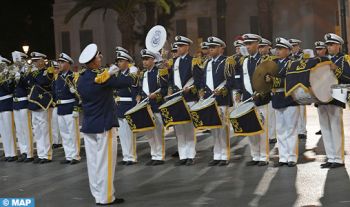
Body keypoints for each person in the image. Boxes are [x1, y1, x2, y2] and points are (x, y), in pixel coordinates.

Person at [77, 43, 135, 205]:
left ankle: (98, 194)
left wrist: (109, 73)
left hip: (89, 125)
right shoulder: (103, 78)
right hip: (104, 125)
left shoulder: (82, 78)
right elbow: (125, 83)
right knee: (106, 163)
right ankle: (106, 197)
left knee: (94, 163)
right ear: (93, 61)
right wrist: (127, 71)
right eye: (98, 56)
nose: (101, 57)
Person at [236, 34, 271, 166]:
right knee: (251, 130)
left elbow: (268, 80)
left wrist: (260, 92)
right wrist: (239, 91)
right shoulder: (244, 61)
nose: (248, 47)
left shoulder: (263, 60)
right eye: (246, 44)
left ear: (257, 44)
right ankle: (255, 156)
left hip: (261, 100)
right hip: (247, 99)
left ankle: (264, 156)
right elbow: (239, 78)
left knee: (262, 129)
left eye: (250, 44)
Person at [198, 36, 231, 166]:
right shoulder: (207, 63)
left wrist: (223, 90)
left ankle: (225, 156)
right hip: (209, 99)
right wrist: (202, 90)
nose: (210, 50)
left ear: (220, 48)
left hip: (222, 99)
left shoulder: (227, 61)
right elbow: (203, 80)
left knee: (222, 129)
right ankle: (217, 155)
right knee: (214, 129)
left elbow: (231, 80)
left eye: (213, 48)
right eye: (209, 48)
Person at [266, 38, 299, 167]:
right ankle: (283, 157)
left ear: (288, 50)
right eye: (277, 49)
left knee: (290, 128)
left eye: (280, 49)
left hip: (289, 97)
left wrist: (274, 81)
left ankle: (292, 157)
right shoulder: (273, 63)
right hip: (277, 97)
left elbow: (292, 80)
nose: (277, 51)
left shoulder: (293, 63)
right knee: (280, 129)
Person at [318, 33, 350, 168]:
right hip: (321, 97)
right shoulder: (321, 60)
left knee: (335, 127)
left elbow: (348, 78)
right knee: (325, 128)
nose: (329, 47)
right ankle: (330, 157)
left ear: (338, 46)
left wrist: (335, 70)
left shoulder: (343, 60)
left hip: (336, 96)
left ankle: (338, 158)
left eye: (331, 45)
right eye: (328, 45)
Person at [168, 35, 199, 166]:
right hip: (177, 98)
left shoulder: (193, 61)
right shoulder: (174, 62)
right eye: (177, 46)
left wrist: (191, 88)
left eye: (181, 46)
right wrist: (170, 89)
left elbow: (198, 80)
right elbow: (171, 79)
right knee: (179, 128)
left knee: (189, 128)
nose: (178, 48)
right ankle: (183, 155)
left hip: (189, 98)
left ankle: (190, 155)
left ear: (187, 47)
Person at [137, 49, 168, 165]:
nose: (144, 62)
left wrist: (157, 95)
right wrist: (138, 96)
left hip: (156, 106)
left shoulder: (159, 72)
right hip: (146, 107)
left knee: (158, 133)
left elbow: (164, 89)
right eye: (143, 60)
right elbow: (140, 89)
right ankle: (154, 155)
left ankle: (160, 156)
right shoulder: (142, 74)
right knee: (149, 133)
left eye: (147, 59)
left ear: (153, 60)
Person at [54, 53, 81, 164]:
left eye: (62, 62)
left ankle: (75, 156)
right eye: (59, 62)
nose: (59, 64)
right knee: (64, 133)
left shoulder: (74, 76)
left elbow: (79, 96)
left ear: (68, 64)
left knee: (73, 133)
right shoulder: (58, 77)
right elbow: (55, 92)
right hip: (61, 108)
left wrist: (76, 108)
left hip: (70, 107)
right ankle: (68, 155)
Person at [27, 52, 54, 164]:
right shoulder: (34, 73)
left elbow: (44, 82)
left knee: (44, 129)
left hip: (43, 102)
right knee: (37, 130)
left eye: (37, 61)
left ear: (42, 60)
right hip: (34, 103)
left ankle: (47, 155)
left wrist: (34, 75)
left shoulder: (47, 71)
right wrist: (30, 74)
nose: (35, 63)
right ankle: (41, 153)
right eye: (34, 61)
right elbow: (27, 83)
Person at [12, 52, 34, 162]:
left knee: (26, 129)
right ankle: (23, 151)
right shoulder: (13, 72)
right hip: (15, 103)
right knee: (19, 130)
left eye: (18, 60)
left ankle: (29, 153)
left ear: (23, 60)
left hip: (24, 101)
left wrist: (20, 76)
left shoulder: (27, 71)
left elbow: (28, 85)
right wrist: (12, 77)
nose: (16, 63)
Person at [0, 56, 17, 162]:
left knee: (9, 129)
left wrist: (4, 78)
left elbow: (9, 89)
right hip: (1, 104)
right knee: (3, 131)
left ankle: (13, 153)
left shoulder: (9, 75)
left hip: (7, 103)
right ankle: (7, 153)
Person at [290, 38, 307, 140]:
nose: (292, 48)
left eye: (294, 46)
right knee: (293, 109)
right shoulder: (289, 57)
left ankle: (302, 130)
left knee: (301, 109)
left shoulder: (304, 55)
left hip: (301, 84)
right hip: (292, 85)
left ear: (298, 46)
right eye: (291, 46)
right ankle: (296, 129)